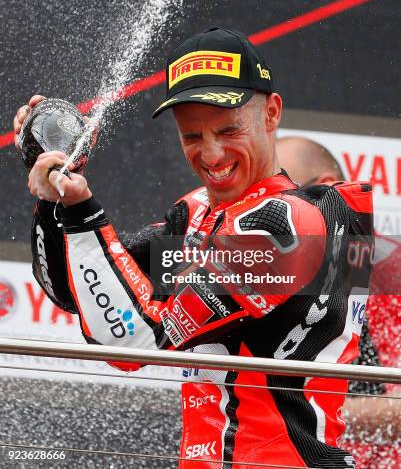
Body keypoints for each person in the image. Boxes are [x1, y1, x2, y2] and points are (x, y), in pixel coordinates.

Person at [14, 27, 374, 468]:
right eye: (192, 136)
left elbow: (133, 342)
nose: (212, 154)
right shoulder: (200, 215)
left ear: (271, 113)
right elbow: (79, 292)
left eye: (228, 130)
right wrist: (52, 195)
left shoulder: (287, 226)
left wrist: (80, 209)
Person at [277, 135, 401, 466]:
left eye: (281, 198)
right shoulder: (273, 270)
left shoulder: (390, 265)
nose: (264, 214)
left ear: (328, 191)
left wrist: (279, 409)